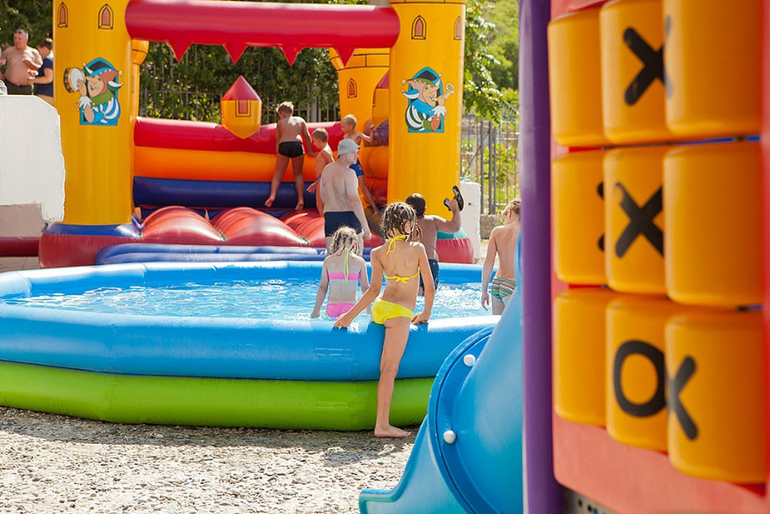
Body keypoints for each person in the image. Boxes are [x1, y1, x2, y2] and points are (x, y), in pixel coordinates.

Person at [334, 202, 434, 438]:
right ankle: (382, 425)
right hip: (399, 313)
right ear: (407, 224)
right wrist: (426, 314)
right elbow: (429, 287)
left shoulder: (378, 252)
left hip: (381, 308)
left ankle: (382, 424)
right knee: (389, 369)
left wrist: (349, 316)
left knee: (381, 366)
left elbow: (373, 290)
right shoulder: (417, 249)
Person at [319, 138, 371, 255]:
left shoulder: (327, 169)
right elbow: (354, 200)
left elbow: (322, 194)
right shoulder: (349, 173)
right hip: (349, 216)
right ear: (342, 155)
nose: (356, 156)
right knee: (356, 259)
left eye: (356, 152)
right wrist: (365, 225)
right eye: (352, 153)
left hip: (330, 216)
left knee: (333, 259)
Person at [405, 192, 461, 295]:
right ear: (425, 210)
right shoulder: (433, 221)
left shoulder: (405, 224)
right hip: (430, 262)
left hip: (412, 262)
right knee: (430, 292)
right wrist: (455, 210)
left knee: (414, 292)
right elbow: (455, 227)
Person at [311, 226, 370, 319]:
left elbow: (322, 287)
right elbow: (365, 288)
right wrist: (368, 311)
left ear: (336, 243)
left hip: (332, 307)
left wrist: (316, 311)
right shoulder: (360, 262)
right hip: (351, 308)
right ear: (354, 244)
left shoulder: (328, 261)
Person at [266, 102, 315, 211]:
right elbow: (307, 136)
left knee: (278, 175)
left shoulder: (280, 123)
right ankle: (301, 199)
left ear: (282, 114)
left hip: (284, 145)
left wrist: (278, 152)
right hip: (297, 145)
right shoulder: (300, 120)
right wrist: (310, 151)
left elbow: (277, 139)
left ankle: (272, 195)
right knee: (298, 174)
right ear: (291, 112)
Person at [481, 197, 521, 315]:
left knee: (497, 323)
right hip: (513, 284)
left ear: (510, 213)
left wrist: (484, 291)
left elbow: (488, 264)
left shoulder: (496, 231)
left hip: (497, 284)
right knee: (519, 324)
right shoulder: (525, 231)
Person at [340, 114, 381, 214]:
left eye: (344, 127)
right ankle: (347, 209)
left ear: (350, 126)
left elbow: (370, 140)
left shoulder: (357, 135)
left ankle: (375, 208)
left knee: (362, 186)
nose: (342, 129)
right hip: (346, 164)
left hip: (354, 163)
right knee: (346, 186)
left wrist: (372, 131)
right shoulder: (345, 137)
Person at [0, 29, 42, 95]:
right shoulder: (8, 51)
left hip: (26, 87)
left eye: (19, 38)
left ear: (26, 39)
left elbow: (41, 68)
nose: (17, 41)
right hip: (10, 85)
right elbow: (0, 63)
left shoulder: (33, 52)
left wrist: (30, 64)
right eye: (15, 38)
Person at [306, 128, 334, 215]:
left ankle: (324, 220)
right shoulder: (326, 150)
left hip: (322, 179)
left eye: (314, 141)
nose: (313, 144)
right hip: (321, 179)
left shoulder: (325, 152)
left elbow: (333, 165)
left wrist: (320, 180)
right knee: (321, 204)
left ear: (319, 140)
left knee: (320, 204)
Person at [33, 38, 53, 105]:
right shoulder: (54, 59)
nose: (38, 54)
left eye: (39, 51)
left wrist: (33, 80)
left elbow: (48, 78)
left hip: (45, 95)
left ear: (44, 48)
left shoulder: (47, 60)